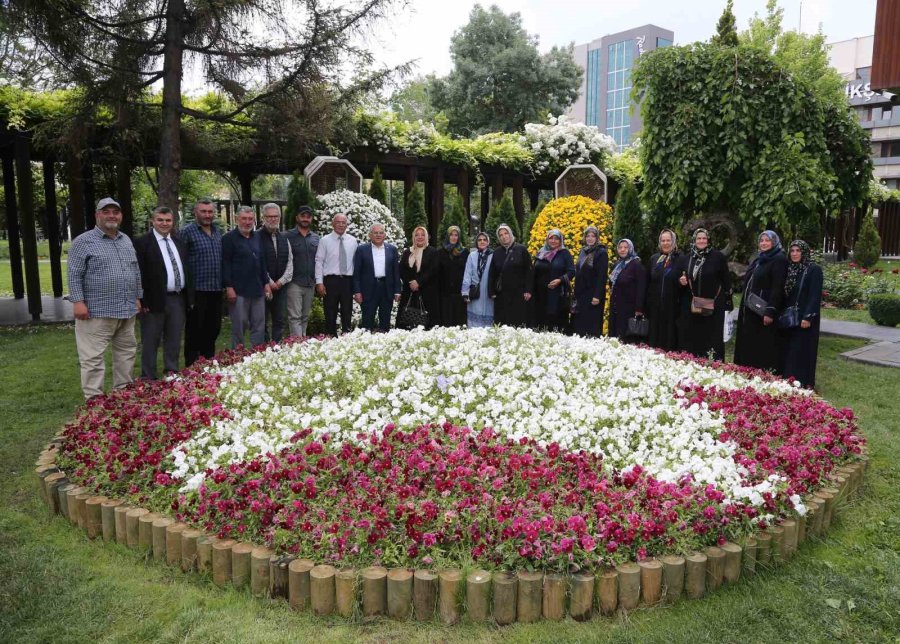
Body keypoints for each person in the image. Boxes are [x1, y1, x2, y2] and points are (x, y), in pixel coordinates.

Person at [67, 197, 143, 399]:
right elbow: (74, 273)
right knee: (92, 358)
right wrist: (78, 302)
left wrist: (137, 296)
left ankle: (123, 394)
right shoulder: (83, 242)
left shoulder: (125, 239)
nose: (111, 215)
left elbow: (135, 270)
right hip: (96, 311)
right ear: (97, 215)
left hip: (126, 309)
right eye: (106, 211)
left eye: (115, 212)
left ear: (121, 216)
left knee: (126, 353)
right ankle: (95, 401)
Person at [134, 206, 192, 379]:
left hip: (177, 298)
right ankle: (148, 376)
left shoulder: (179, 242)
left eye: (168, 220)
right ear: (153, 221)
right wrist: (141, 300)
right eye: (160, 220)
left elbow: (186, 270)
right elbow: (139, 273)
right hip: (153, 300)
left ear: (173, 222)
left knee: (174, 339)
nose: (164, 223)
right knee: (151, 340)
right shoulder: (142, 243)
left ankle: (171, 372)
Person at [734, 230, 789, 372]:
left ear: (774, 242)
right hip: (751, 308)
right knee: (750, 339)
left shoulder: (779, 259)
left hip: (762, 310)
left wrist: (770, 311)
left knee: (762, 341)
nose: (764, 243)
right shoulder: (760, 258)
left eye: (767, 240)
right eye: (761, 240)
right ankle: (748, 369)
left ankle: (762, 371)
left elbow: (778, 287)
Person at [675, 228, 732, 361]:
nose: (701, 241)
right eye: (698, 238)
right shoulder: (687, 258)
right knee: (693, 336)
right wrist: (681, 281)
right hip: (692, 305)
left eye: (704, 238)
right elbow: (679, 278)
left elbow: (726, 281)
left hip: (713, 305)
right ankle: (693, 361)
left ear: (708, 240)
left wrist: (726, 300)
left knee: (712, 337)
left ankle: (712, 363)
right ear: (694, 241)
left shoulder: (718, 257)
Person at [180, 199, 223, 365]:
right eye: (203, 211)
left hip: (216, 289)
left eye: (210, 212)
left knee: (213, 329)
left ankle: (208, 363)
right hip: (197, 290)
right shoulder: (187, 232)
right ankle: (191, 366)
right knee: (194, 331)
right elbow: (182, 261)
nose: (207, 215)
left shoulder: (217, 232)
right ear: (195, 212)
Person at [222, 206, 271, 348]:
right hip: (238, 291)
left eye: (250, 219)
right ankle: (237, 356)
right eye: (244, 219)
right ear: (237, 219)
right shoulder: (229, 239)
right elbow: (226, 264)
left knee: (259, 325)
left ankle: (257, 354)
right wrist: (229, 287)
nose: (247, 222)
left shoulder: (257, 237)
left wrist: (266, 283)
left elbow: (262, 262)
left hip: (257, 289)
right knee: (240, 325)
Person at [780, 240, 823, 388]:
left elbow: (814, 295)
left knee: (803, 349)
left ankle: (803, 381)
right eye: (792, 251)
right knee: (790, 350)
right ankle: (788, 379)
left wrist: (808, 317)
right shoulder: (790, 269)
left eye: (798, 251)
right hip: (790, 318)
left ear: (804, 252)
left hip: (804, 318)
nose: (794, 254)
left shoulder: (813, 269)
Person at [314, 213, 358, 336]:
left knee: (347, 310)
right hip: (330, 281)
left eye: (343, 222)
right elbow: (319, 261)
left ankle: (346, 336)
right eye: (338, 222)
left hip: (347, 281)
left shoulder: (353, 241)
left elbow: (356, 263)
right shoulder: (325, 240)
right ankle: (330, 336)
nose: (340, 224)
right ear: (333, 224)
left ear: (347, 225)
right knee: (330, 311)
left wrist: (356, 285)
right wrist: (319, 282)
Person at [353, 223, 402, 331]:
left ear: (385, 235)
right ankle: (366, 344)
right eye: (375, 233)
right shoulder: (362, 250)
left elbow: (396, 272)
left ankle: (385, 344)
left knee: (385, 321)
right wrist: (357, 291)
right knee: (367, 321)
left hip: (386, 288)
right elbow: (356, 273)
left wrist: (397, 291)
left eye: (381, 233)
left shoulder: (392, 249)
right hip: (368, 290)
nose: (378, 235)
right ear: (370, 235)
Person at [258, 203, 293, 342]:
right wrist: (269, 282)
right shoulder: (256, 237)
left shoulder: (284, 237)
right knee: (263, 320)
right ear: (263, 217)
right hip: (263, 287)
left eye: (276, 216)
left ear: (279, 217)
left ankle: (277, 347)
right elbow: (257, 263)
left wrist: (280, 282)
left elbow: (290, 262)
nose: (273, 219)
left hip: (281, 286)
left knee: (279, 320)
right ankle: (264, 348)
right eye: (269, 216)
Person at [284, 205, 319, 337]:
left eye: (308, 216)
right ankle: (297, 344)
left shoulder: (316, 238)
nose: (305, 219)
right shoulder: (287, 236)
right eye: (302, 216)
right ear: (297, 217)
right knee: (295, 317)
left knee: (305, 316)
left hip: (310, 283)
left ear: (311, 219)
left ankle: (301, 341)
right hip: (294, 282)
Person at [531, 229, 575, 332]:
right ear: (547, 239)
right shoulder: (541, 253)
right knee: (540, 323)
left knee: (555, 324)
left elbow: (571, 271)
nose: (553, 241)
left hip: (557, 295)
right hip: (540, 295)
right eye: (551, 238)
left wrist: (560, 280)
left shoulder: (564, 254)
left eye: (556, 239)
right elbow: (534, 271)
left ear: (561, 241)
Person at [488, 224, 532, 327]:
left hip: (518, 293)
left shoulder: (521, 250)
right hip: (502, 294)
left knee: (518, 321)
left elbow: (529, 271)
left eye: (506, 233)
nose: (504, 236)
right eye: (501, 235)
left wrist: (528, 290)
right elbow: (492, 273)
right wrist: (491, 291)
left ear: (510, 234)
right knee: (502, 322)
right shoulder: (497, 252)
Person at [646, 229, 683, 351]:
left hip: (673, 307)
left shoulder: (681, 259)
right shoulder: (654, 259)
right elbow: (648, 282)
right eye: (663, 240)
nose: (665, 243)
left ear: (673, 241)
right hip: (655, 307)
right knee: (654, 341)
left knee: (669, 341)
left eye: (668, 240)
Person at [398, 226, 439, 329]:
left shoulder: (433, 252)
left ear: (426, 237)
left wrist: (419, 282)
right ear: (413, 237)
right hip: (410, 292)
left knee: (427, 324)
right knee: (407, 323)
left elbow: (433, 270)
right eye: (417, 235)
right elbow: (402, 270)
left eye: (422, 234)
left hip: (427, 292)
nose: (419, 237)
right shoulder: (408, 252)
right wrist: (411, 282)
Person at [571, 226, 608, 338]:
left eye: (593, 236)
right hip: (581, 293)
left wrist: (597, 295)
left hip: (593, 294)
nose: (590, 238)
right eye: (588, 236)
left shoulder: (601, 252)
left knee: (591, 324)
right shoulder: (583, 251)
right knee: (580, 324)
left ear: (597, 238)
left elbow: (602, 276)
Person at [607, 238, 646, 341]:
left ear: (631, 249)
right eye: (620, 247)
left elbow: (641, 288)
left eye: (625, 247)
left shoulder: (636, 264)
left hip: (628, 307)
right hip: (616, 306)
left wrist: (639, 308)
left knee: (625, 337)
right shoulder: (617, 265)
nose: (622, 250)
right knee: (614, 336)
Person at [436, 226, 469, 327]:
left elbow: (467, 272)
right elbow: (437, 272)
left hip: (460, 294)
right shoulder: (441, 252)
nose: (454, 237)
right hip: (445, 294)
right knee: (446, 323)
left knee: (459, 323)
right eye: (451, 235)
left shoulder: (465, 252)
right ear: (447, 236)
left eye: (456, 235)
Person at [461, 231, 495, 328]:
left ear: (488, 242)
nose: (482, 242)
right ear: (476, 242)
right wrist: (465, 293)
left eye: (484, 240)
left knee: (489, 320)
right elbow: (467, 274)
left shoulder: (493, 255)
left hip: (488, 292)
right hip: (475, 292)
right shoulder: (472, 255)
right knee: (474, 322)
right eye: (479, 240)